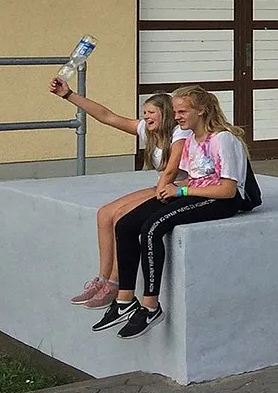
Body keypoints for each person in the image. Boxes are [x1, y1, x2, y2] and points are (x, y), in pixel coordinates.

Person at [95, 85, 258, 338]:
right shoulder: (191, 139)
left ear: (201, 111)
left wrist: (180, 192)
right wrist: (169, 189)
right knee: (126, 223)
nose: (178, 117)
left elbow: (227, 189)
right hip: (194, 191)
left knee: (152, 228)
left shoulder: (223, 138)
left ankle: (150, 306)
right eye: (175, 112)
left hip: (222, 200)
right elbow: (190, 176)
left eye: (183, 111)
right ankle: (124, 300)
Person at [48, 79, 185, 308]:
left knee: (121, 216)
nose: (146, 116)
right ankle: (102, 280)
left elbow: (171, 170)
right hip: (162, 185)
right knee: (104, 213)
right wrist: (68, 94)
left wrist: (162, 191)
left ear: (166, 114)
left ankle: (114, 282)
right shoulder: (147, 130)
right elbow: (107, 116)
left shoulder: (179, 133)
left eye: (151, 112)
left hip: (175, 187)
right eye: (144, 112)